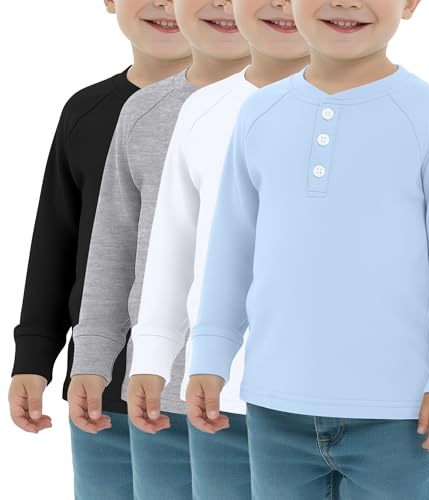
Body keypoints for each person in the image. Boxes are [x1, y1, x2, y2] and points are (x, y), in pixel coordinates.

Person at [186, 0, 429, 498]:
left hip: (398, 413)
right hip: (273, 408)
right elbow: (231, 250)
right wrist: (210, 353)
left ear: (410, 4)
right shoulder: (260, 113)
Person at [9, 1, 192, 498]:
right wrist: (34, 355)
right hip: (101, 391)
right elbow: (58, 239)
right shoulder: (86, 111)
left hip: (204, 393)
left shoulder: (254, 110)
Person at [67, 0, 250, 498]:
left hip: (273, 397)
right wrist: (93, 358)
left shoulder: (312, 107)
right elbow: (118, 246)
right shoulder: (146, 111)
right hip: (162, 395)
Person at [128, 0, 309, 497]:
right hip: (220, 399)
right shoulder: (203, 110)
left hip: (335, 400)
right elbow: (175, 241)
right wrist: (152, 355)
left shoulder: (379, 112)